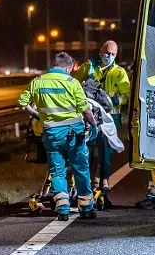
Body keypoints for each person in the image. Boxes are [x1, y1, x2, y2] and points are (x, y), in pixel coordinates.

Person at [19, 52, 99, 221]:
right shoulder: (72, 83)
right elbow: (85, 110)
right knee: (80, 170)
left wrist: (37, 115)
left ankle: (62, 209)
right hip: (73, 134)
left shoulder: (38, 82)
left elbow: (23, 103)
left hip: (51, 134)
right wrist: (94, 125)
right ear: (68, 67)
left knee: (57, 172)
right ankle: (86, 208)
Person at [73, 40, 130, 191]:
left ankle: (102, 186)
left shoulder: (120, 72)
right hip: (88, 117)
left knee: (106, 154)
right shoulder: (87, 68)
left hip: (111, 119)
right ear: (100, 52)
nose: (109, 56)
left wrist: (113, 101)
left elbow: (126, 95)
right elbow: (74, 88)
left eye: (112, 54)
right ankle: (84, 187)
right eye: (107, 53)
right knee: (86, 153)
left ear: (116, 55)